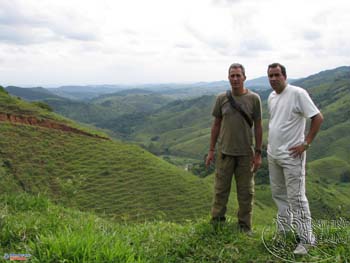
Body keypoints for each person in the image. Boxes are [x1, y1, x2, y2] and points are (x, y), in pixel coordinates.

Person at [266, 63, 324, 255]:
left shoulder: (297, 93)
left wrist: (306, 143)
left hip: (292, 156)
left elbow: (317, 117)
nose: (273, 79)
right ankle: (284, 232)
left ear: (284, 76)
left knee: (297, 198)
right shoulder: (272, 97)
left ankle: (307, 240)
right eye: (270, 76)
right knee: (279, 195)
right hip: (273, 154)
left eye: (276, 75)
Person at [206, 63, 263, 233]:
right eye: (232, 75)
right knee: (220, 190)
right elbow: (216, 124)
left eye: (239, 75)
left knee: (246, 193)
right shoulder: (221, 98)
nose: (236, 79)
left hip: (246, 153)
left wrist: (258, 153)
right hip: (224, 153)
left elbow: (259, 126)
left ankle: (245, 226)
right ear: (228, 78)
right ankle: (217, 223)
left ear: (244, 77)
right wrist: (211, 150)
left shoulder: (254, 99)